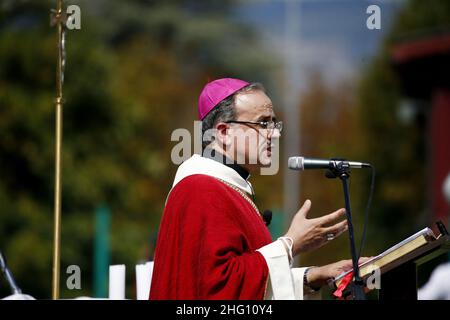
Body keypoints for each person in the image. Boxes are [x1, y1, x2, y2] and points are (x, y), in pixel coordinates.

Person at [150, 78, 356, 300]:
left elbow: (244, 277)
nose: (275, 134)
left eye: (275, 124)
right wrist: (290, 245)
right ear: (223, 132)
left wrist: (313, 276)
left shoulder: (225, 187)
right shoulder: (201, 189)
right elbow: (219, 287)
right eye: (263, 123)